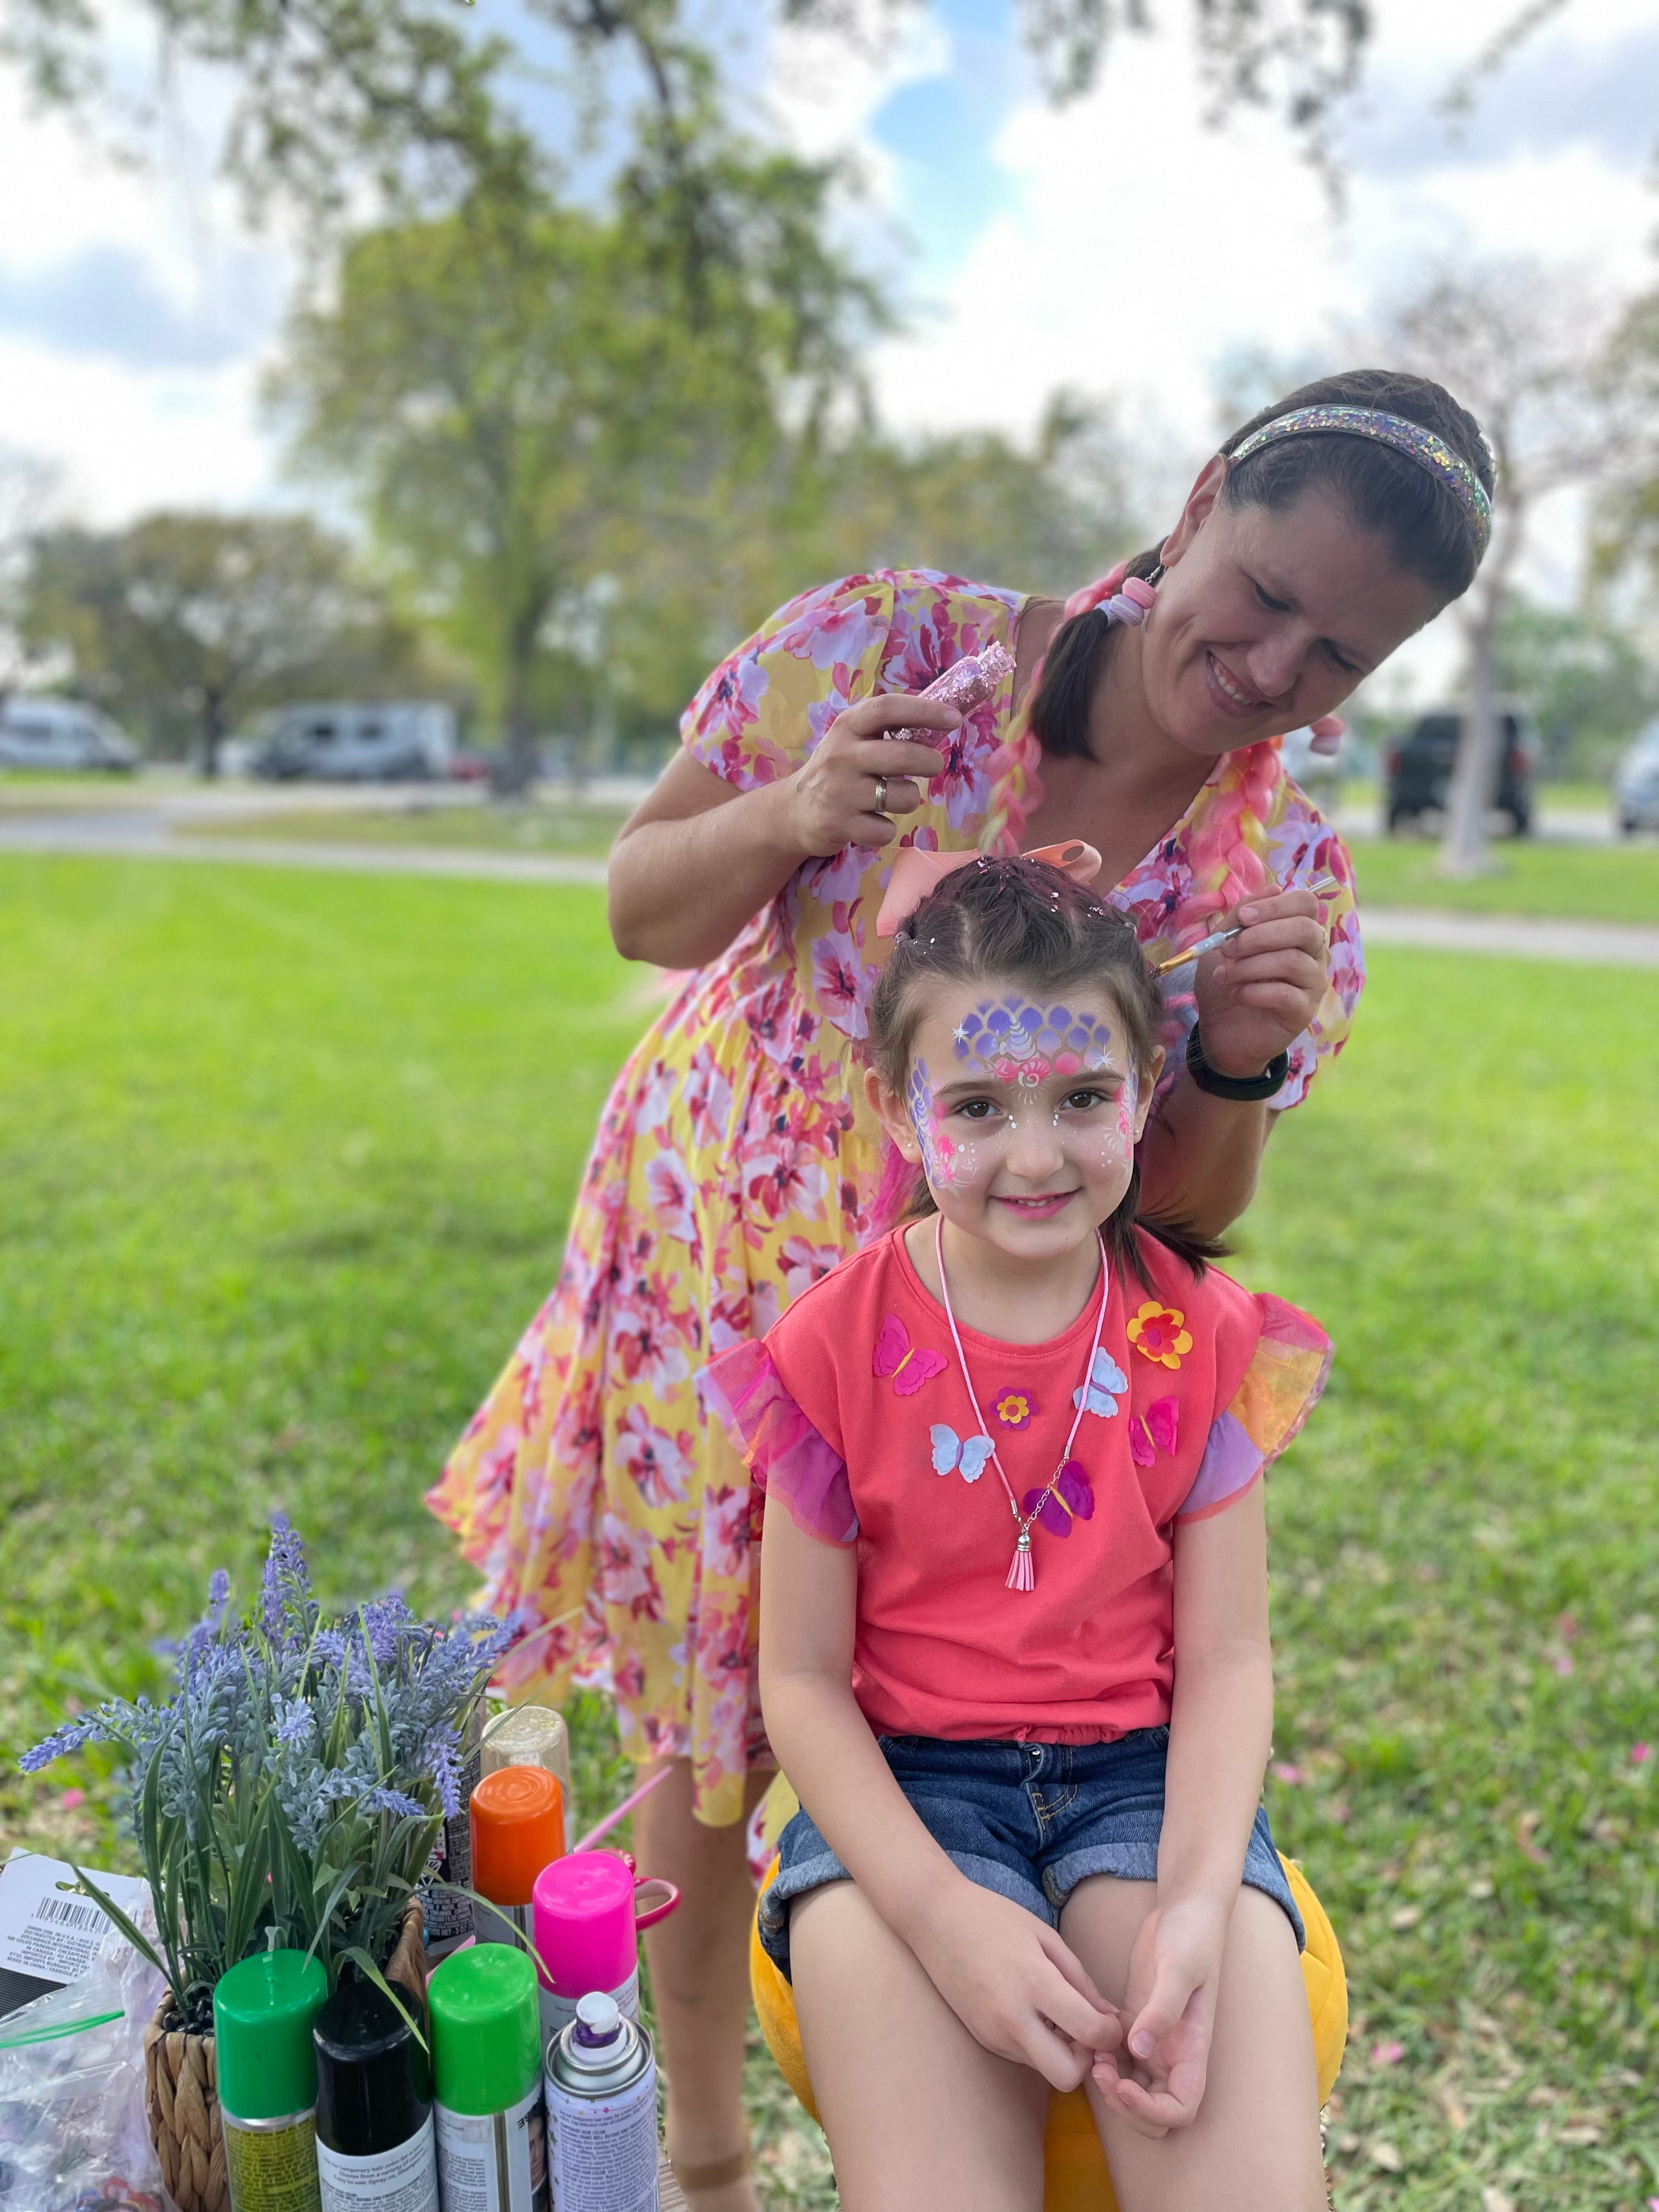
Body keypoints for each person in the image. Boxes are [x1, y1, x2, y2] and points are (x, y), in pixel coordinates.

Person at [428, 369, 1493, 2206]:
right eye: (1264, 592)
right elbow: (639, 905)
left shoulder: (1286, 876)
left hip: (990, 1366)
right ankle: (701, 2156)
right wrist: (791, 815)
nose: (1270, 670)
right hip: (724, 1275)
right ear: (1197, 496)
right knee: (707, 1735)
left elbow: (1185, 1224)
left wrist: (1229, 1063)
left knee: (903, 1694)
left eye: (1338, 658)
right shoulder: (881, 645)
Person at [706, 854, 1336, 2211]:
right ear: (896, 1105)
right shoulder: (829, 1352)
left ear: (1145, 1086)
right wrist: (937, 1916)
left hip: (1141, 1782)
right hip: (906, 1798)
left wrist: (1187, 1905)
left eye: (1082, 1100)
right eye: (978, 1106)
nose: (1035, 1155)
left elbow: (1226, 1661)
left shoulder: (1201, 1341)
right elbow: (802, 1683)